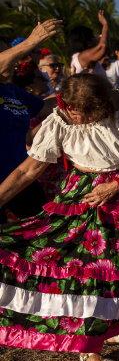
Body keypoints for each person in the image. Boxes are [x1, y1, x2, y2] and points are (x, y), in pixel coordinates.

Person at [0, 73, 119, 361]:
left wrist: (118, 184)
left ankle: (113, 328)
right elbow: (27, 171)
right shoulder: (61, 119)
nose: (79, 118)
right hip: (84, 197)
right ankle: (88, 352)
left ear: (107, 104)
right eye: (74, 111)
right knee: (92, 275)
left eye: (88, 113)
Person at [0, 21, 62, 223]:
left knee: (43, 230)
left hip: (19, 177)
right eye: (8, 54)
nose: (14, 59)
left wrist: (81, 91)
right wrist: (31, 42)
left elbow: (46, 106)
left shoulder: (14, 92)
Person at [68, 10, 110, 76]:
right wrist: (105, 25)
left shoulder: (80, 57)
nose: (96, 40)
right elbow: (103, 47)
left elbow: (105, 48)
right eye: (94, 38)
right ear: (88, 42)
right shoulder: (82, 57)